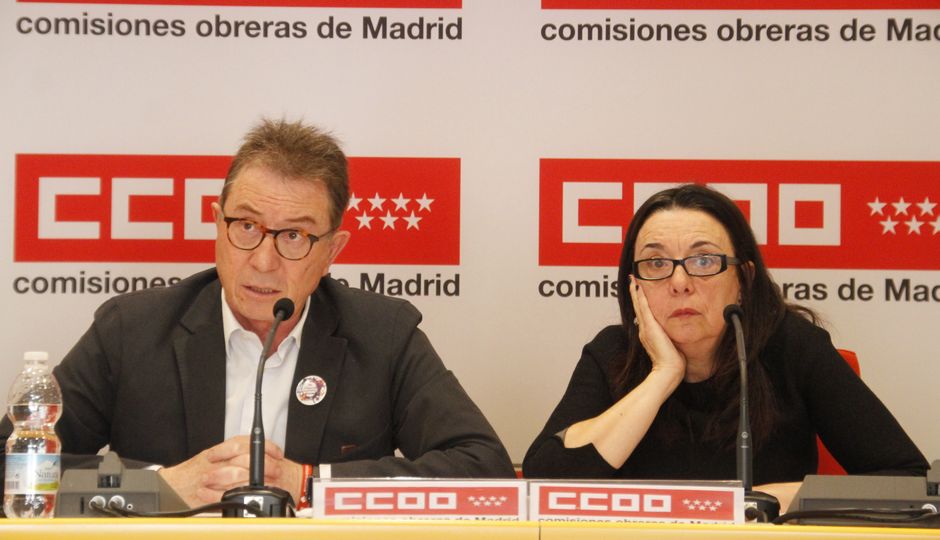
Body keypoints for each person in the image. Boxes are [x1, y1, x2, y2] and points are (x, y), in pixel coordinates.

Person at [0, 118, 514, 509]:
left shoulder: (383, 336)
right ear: (217, 224)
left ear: (332, 251)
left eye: (294, 235)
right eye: (245, 226)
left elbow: (483, 468)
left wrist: (309, 483)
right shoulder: (132, 329)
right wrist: (159, 486)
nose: (263, 261)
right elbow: (12, 461)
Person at [523, 184, 927, 511]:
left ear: (744, 279)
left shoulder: (791, 347)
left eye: (703, 261)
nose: (679, 282)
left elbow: (909, 481)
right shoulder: (613, 353)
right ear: (634, 285)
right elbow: (544, 486)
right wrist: (663, 375)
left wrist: (773, 500)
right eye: (656, 263)